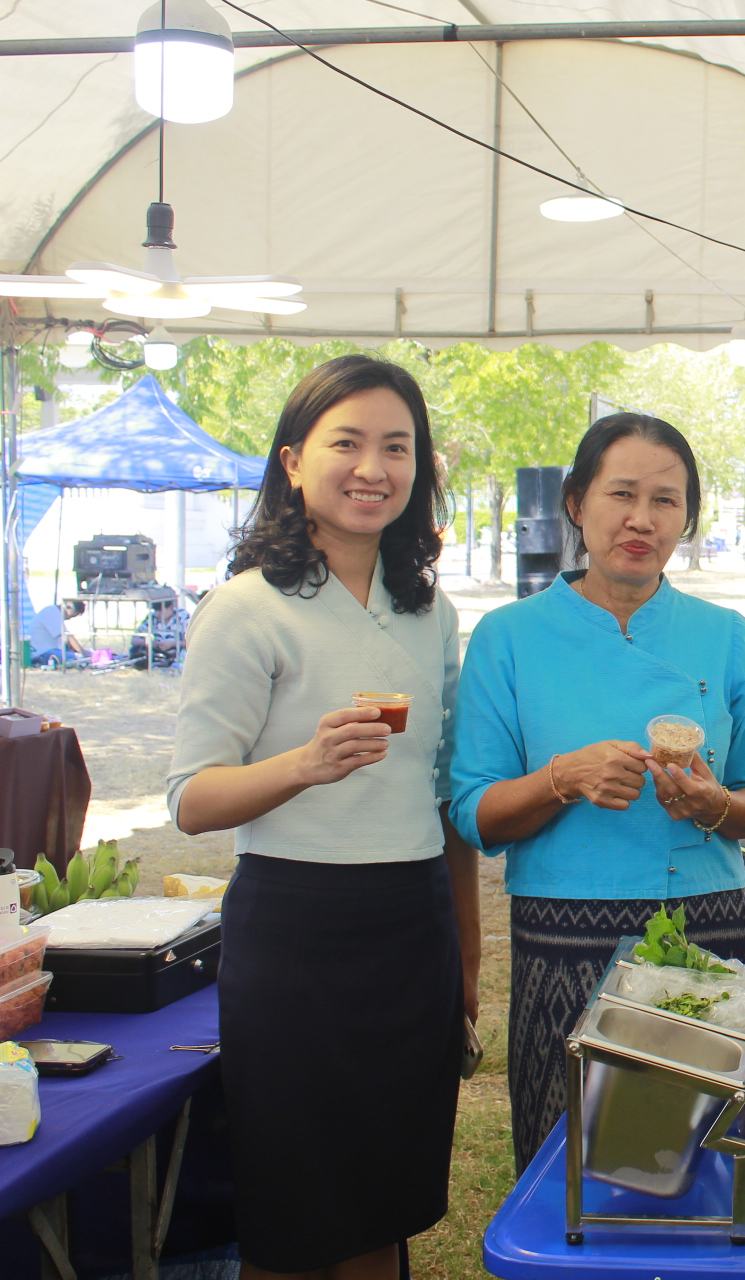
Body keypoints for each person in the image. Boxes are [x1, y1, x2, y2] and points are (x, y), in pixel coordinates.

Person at [167, 355, 478, 1280]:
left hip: (411, 924)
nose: (373, 468)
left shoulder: (427, 610)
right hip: (297, 931)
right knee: (295, 1213)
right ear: (294, 461)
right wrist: (303, 765)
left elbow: (443, 800)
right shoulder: (246, 608)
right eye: (348, 443)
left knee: (386, 1199)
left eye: (397, 447)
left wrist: (466, 958)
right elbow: (191, 799)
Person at [449, 413, 745, 1171]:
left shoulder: (726, 636)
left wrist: (718, 806)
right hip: (564, 936)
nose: (642, 519)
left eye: (666, 501)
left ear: (688, 518)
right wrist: (560, 779)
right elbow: (474, 815)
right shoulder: (510, 637)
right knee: (570, 1160)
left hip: (704, 928)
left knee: (707, 1164)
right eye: (621, 494)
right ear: (577, 503)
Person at [131, 595, 189, 669]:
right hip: (157, 651)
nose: (157, 614)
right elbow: (135, 639)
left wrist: (173, 644)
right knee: (137, 649)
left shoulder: (183, 617)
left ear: (170, 608)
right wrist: (152, 643)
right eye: (155, 611)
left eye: (160, 611)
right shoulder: (152, 617)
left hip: (177, 653)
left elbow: (191, 643)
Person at [28, 600, 84, 664]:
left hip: (49, 650)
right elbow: (68, 637)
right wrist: (83, 653)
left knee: (89, 654)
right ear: (68, 607)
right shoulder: (51, 612)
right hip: (41, 654)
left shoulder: (53, 611)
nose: (69, 619)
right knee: (80, 657)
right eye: (71, 616)